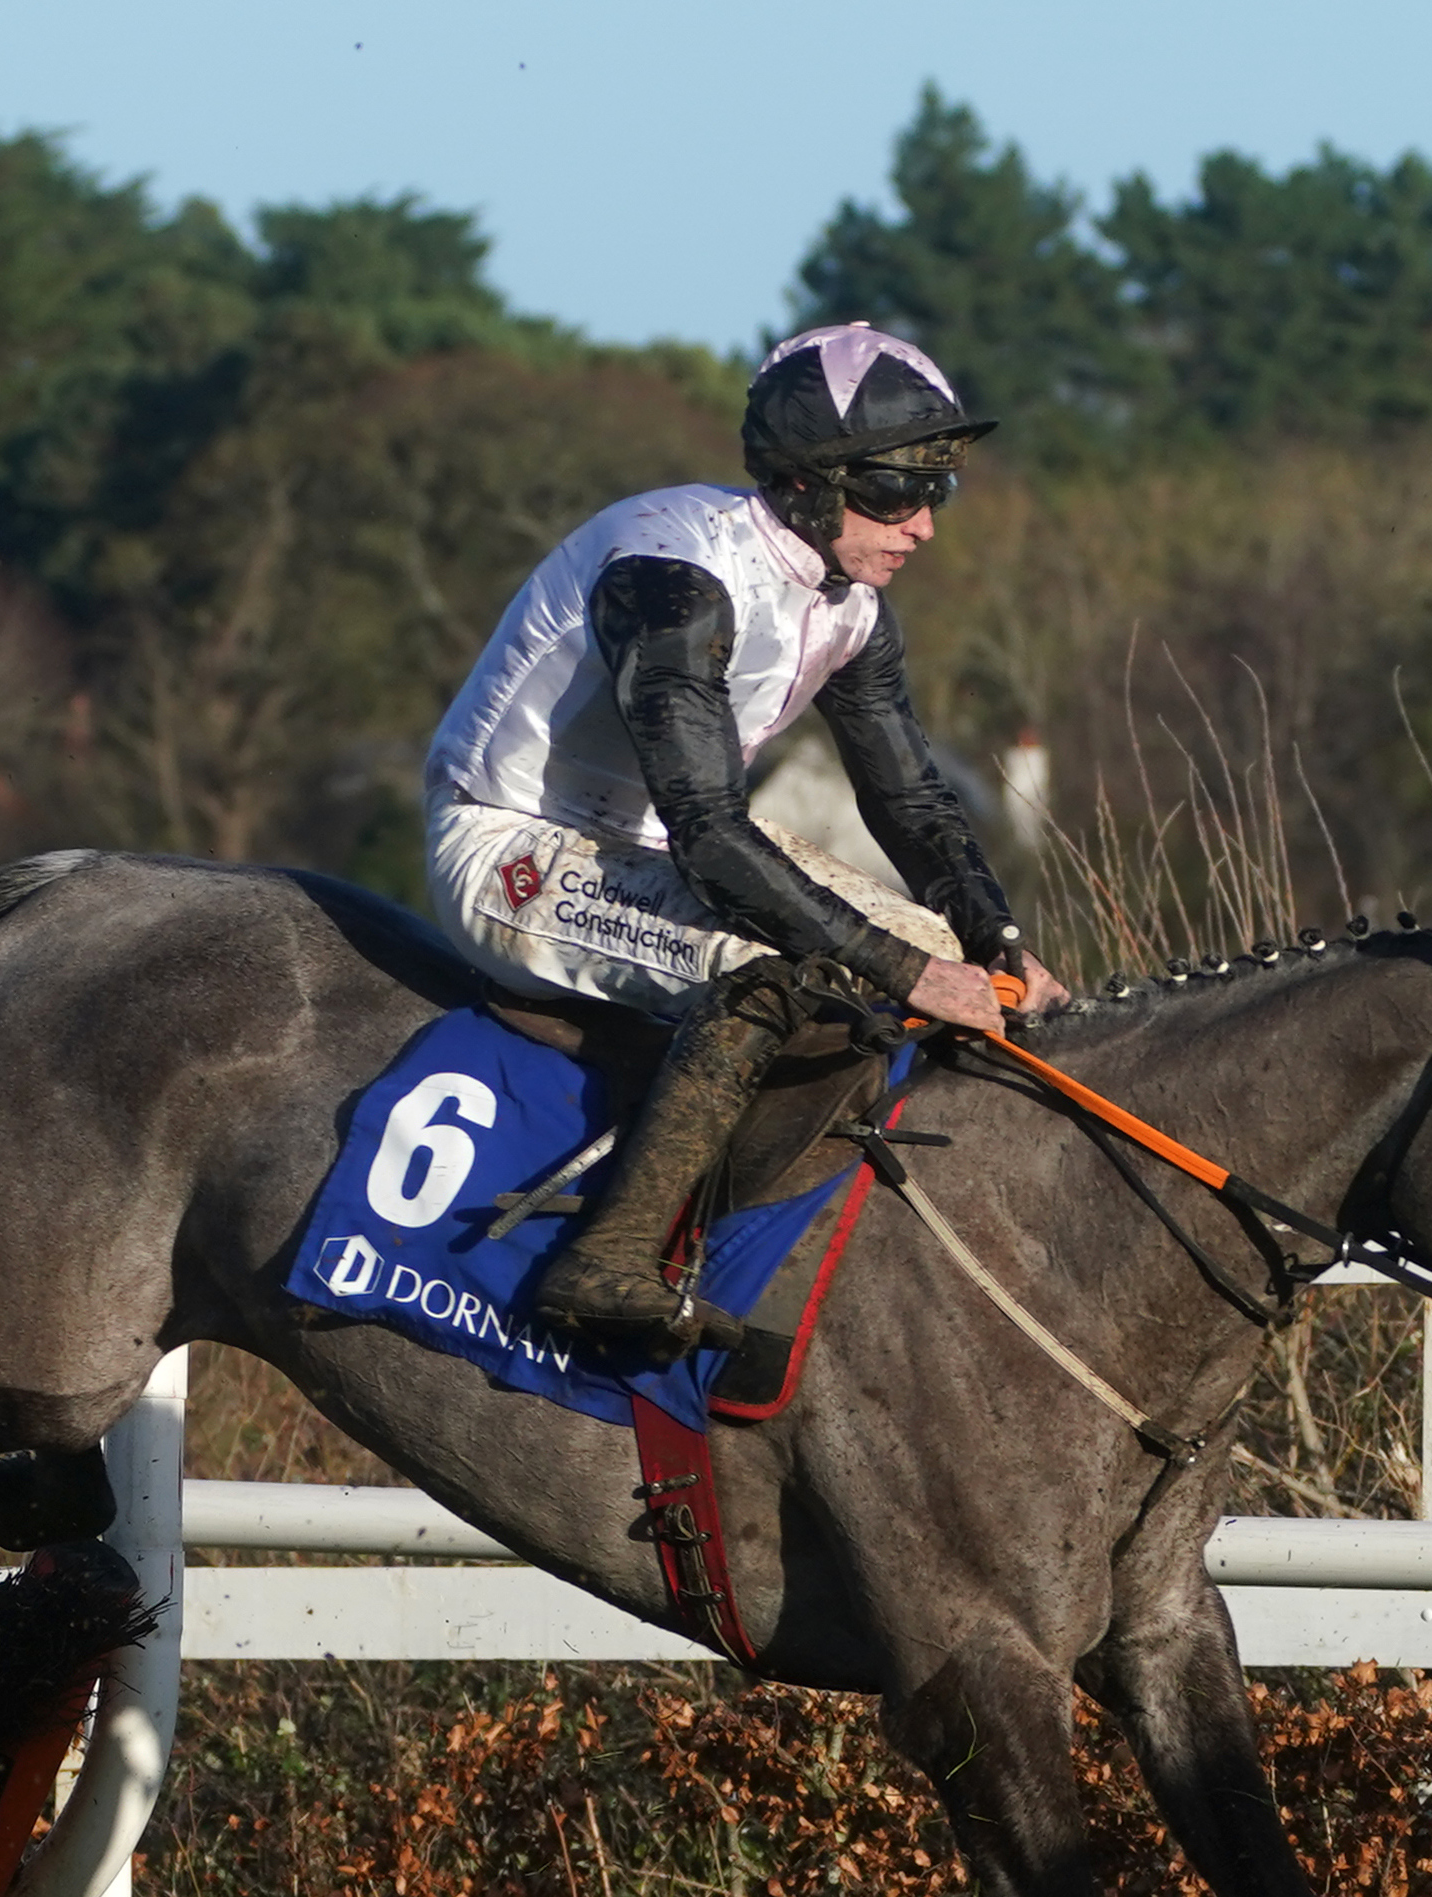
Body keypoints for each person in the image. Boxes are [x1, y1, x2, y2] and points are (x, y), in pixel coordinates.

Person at [422, 322, 1071, 1349]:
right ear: (811, 483)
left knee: (945, 957)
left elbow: (911, 803)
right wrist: (902, 972)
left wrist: (993, 939)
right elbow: (711, 836)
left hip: (654, 841)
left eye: (938, 491)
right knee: (786, 971)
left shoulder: (850, 602)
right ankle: (610, 1257)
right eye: (901, 491)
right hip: (511, 846)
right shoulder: (671, 580)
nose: (924, 525)